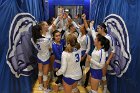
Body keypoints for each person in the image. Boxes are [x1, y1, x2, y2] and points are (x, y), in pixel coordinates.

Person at [31, 21, 52, 93]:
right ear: (40, 29)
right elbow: (50, 48)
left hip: (39, 56)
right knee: (45, 74)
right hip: (45, 57)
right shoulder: (46, 40)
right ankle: (45, 89)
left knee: (40, 72)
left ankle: (40, 86)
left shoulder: (34, 39)